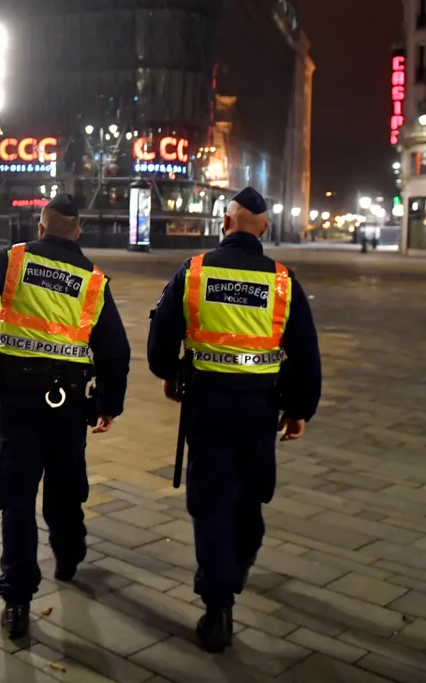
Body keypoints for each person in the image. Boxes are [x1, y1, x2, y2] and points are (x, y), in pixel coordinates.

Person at [0, 193, 131, 640]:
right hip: (68, 405)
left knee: (17, 497)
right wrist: (109, 403)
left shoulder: (15, 261)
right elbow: (116, 350)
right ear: (78, 232)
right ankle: (68, 555)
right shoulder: (92, 280)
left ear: (41, 227)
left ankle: (17, 599)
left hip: (15, 399)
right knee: (65, 487)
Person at [146, 186, 321, 654]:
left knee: (211, 502)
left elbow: (161, 335)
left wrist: (169, 374)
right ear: (265, 228)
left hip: (207, 407)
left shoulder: (195, 271)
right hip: (259, 411)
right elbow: (306, 351)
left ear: (225, 223)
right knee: (250, 498)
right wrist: (299, 409)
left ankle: (218, 606)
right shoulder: (283, 281)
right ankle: (236, 566)